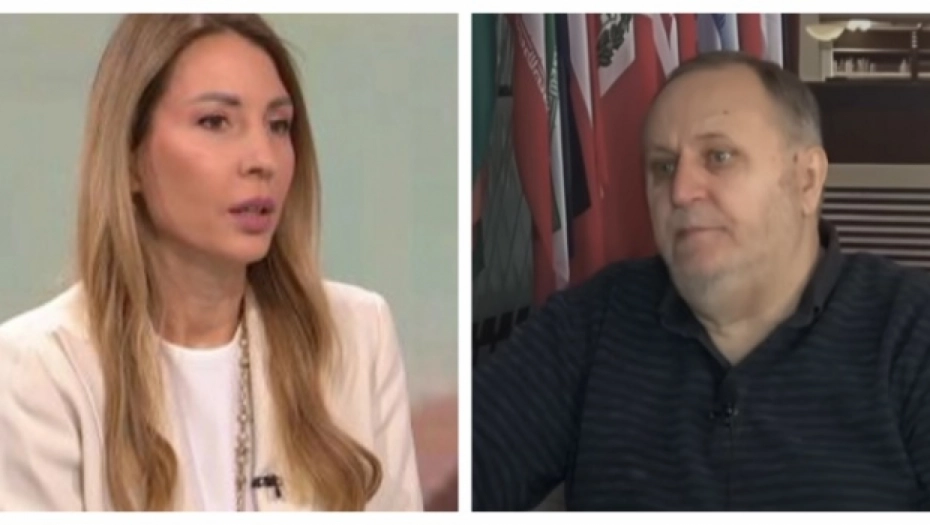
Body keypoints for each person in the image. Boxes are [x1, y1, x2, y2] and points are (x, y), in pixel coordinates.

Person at [472, 51, 930, 511]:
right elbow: (455, 476)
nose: (680, 191)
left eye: (719, 157)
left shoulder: (911, 331)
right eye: (663, 166)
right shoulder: (589, 325)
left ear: (806, 180)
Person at [0, 14, 422, 511]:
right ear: (130, 156)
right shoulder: (36, 372)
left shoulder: (358, 334)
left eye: (278, 125)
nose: (262, 159)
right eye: (216, 122)